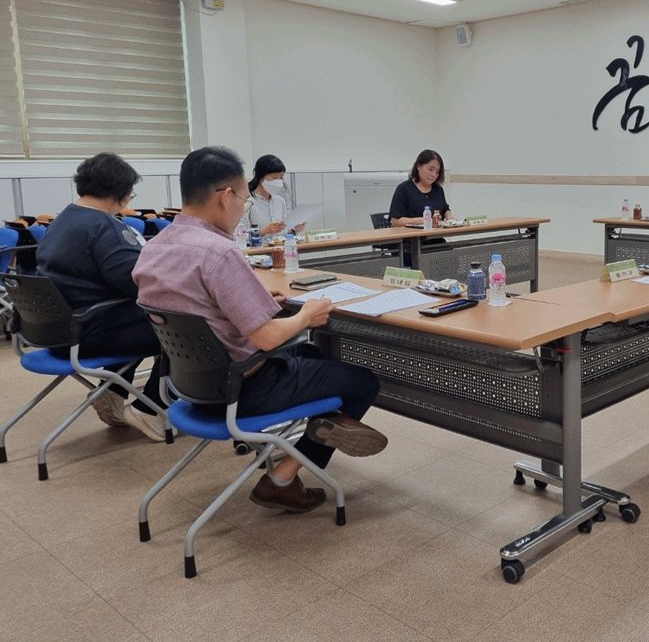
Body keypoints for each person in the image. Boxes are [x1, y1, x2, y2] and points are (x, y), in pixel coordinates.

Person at [133, 146, 387, 513]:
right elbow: (266, 337)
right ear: (226, 197)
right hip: (244, 389)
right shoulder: (219, 252)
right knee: (362, 382)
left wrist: (251, 299)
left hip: (187, 388)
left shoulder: (154, 248)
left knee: (311, 354)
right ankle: (283, 477)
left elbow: (194, 306)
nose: (242, 209)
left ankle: (322, 427)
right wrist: (306, 315)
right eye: (243, 201)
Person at [36, 153, 168, 441]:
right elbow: (140, 284)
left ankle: (113, 392)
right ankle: (151, 410)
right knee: (183, 329)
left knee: (140, 316)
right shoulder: (104, 227)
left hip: (54, 331)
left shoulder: (61, 221)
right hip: (87, 333)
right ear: (119, 192)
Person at [389, 149, 453, 226]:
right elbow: (395, 221)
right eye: (430, 169)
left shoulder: (438, 190)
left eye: (437, 172)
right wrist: (424, 220)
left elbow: (445, 209)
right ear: (419, 166)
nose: (434, 175)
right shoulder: (403, 189)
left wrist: (448, 216)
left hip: (435, 233)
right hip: (411, 233)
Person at [246, 154, 303, 236]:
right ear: (260, 176)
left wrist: (292, 230)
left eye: (281, 177)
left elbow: (281, 232)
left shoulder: (280, 201)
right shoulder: (247, 202)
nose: (278, 181)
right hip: (258, 245)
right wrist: (263, 231)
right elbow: (239, 236)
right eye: (274, 177)